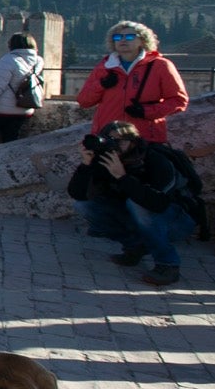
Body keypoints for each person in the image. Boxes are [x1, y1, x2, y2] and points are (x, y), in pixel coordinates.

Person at [68, 120, 196, 287]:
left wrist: (122, 177)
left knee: (137, 205)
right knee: (84, 206)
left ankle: (168, 265)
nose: (113, 145)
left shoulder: (155, 160)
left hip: (176, 221)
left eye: (119, 141)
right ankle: (135, 246)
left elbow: (158, 204)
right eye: (108, 139)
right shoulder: (106, 159)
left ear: (133, 142)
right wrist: (86, 165)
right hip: (136, 217)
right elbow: (78, 195)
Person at [77, 21, 188, 144]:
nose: (123, 40)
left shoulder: (160, 65)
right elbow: (84, 101)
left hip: (145, 137)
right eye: (118, 37)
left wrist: (146, 112)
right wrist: (101, 85)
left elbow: (178, 100)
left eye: (130, 36)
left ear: (142, 40)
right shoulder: (104, 67)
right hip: (108, 137)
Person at [0, 33, 43, 151]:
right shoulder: (38, 61)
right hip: (26, 107)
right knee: (11, 138)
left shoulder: (8, 60)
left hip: (4, 109)